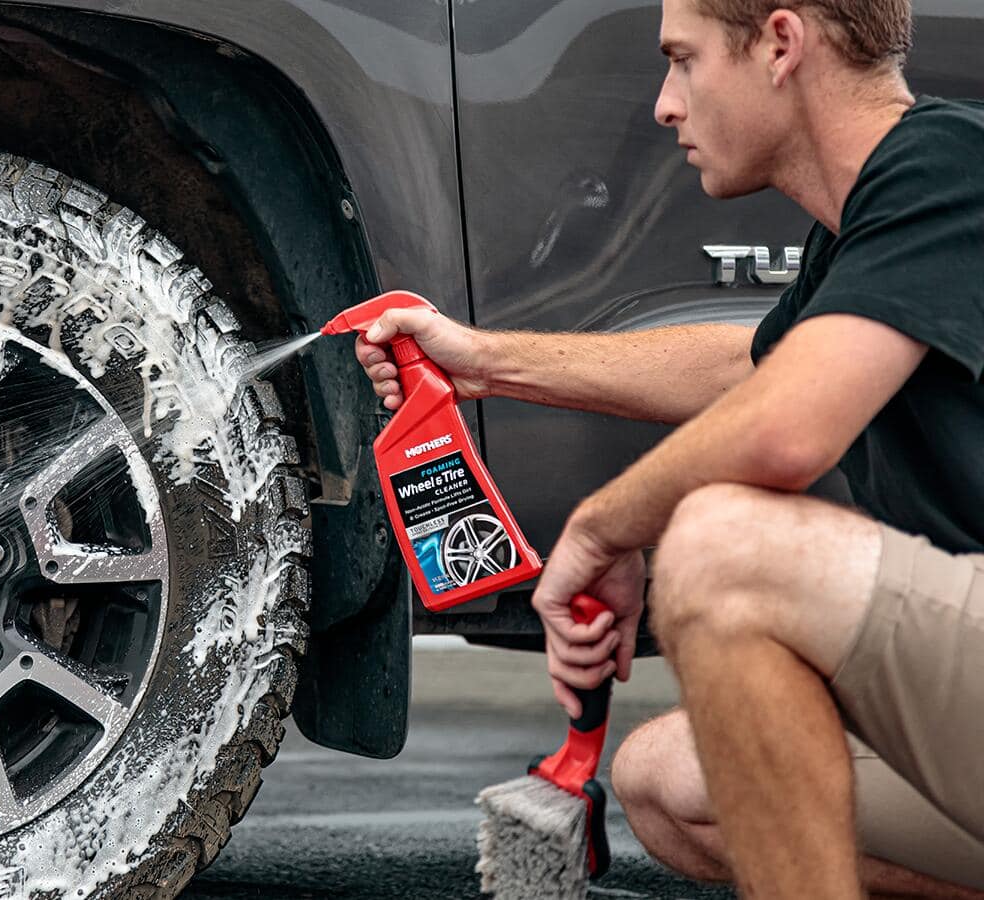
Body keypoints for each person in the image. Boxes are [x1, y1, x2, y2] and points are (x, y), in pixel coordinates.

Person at [355, 0, 984, 895]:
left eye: (683, 60)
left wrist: (603, 531)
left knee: (728, 548)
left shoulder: (950, 167)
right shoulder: (863, 227)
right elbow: (752, 368)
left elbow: (784, 426)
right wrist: (484, 360)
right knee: (675, 784)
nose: (663, 103)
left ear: (778, 44)